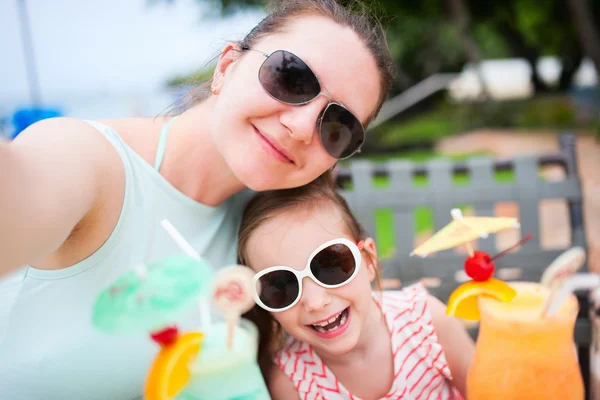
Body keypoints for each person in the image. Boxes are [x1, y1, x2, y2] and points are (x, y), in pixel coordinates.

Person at [0, 1, 396, 399]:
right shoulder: (88, 159)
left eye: (338, 127)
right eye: (291, 78)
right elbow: (25, 197)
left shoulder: (274, 222)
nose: (300, 127)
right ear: (226, 67)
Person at [238, 173, 474, 400]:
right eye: (280, 286)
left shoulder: (427, 323)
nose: (315, 302)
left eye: (330, 266)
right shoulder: (292, 383)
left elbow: (489, 390)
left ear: (368, 261)